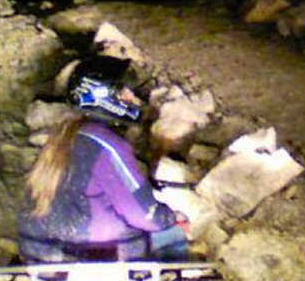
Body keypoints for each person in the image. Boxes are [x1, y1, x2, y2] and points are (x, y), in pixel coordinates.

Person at [18, 54, 192, 263]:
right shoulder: (106, 144)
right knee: (169, 233)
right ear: (103, 96)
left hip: (38, 249)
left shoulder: (60, 139)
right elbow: (140, 213)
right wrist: (171, 218)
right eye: (123, 92)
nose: (132, 98)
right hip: (85, 249)